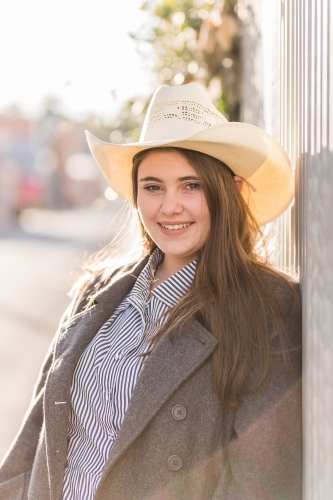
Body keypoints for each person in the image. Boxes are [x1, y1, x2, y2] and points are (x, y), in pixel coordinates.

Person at [0, 83, 302, 500]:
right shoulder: (97, 291)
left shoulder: (266, 307)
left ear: (229, 191)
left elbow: (261, 480)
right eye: (153, 186)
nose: (169, 206)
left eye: (191, 185)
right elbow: (32, 445)